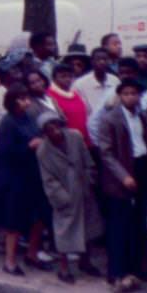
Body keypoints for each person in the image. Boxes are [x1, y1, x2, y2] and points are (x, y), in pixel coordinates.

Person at [98, 78, 147, 289]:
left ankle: (135, 269)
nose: (131, 97)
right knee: (118, 225)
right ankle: (116, 273)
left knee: (138, 223)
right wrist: (124, 176)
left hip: (141, 166)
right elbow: (106, 152)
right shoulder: (110, 119)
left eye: (134, 93)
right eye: (126, 93)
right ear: (120, 96)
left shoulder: (142, 117)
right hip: (120, 175)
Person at [0, 84, 50, 276]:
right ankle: (9, 261)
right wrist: (29, 146)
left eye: (28, 98)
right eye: (23, 98)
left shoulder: (29, 118)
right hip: (13, 177)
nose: (27, 102)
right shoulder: (7, 123)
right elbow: (6, 152)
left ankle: (31, 254)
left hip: (32, 173)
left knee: (38, 216)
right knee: (13, 220)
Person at [37, 113, 103, 283]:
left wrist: (90, 177)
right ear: (44, 133)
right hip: (65, 195)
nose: (56, 132)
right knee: (64, 232)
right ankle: (64, 268)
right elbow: (48, 179)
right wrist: (62, 198)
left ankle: (85, 261)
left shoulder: (75, 136)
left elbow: (87, 159)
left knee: (88, 228)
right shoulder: (43, 151)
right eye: (50, 130)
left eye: (57, 127)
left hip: (83, 189)